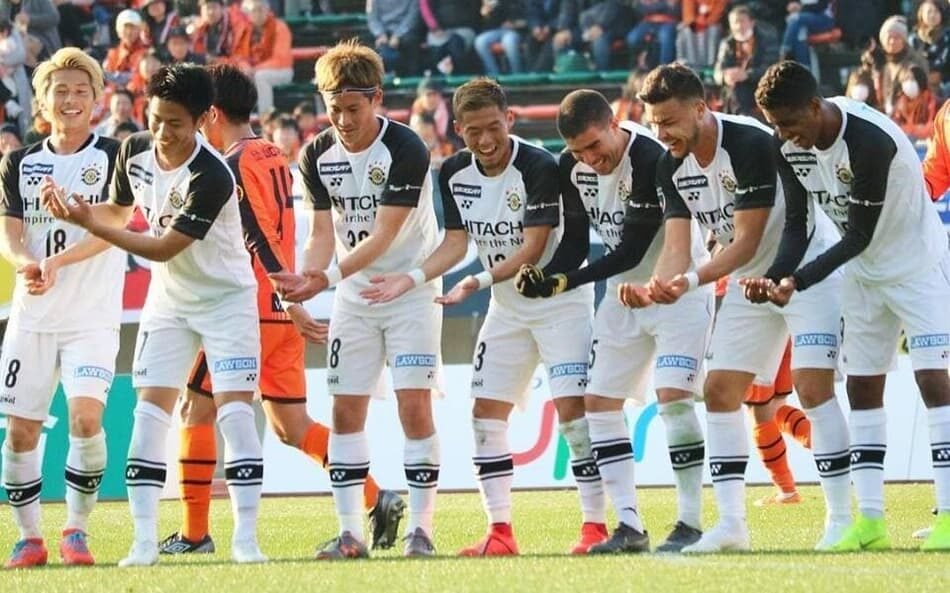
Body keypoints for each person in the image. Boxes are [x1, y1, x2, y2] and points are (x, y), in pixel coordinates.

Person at [157, 63, 406, 556]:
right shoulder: (273, 153)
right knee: (290, 426)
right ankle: (376, 497)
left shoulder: (228, 164)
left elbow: (253, 231)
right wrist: (289, 301)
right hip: (279, 308)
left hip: (244, 309)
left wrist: (281, 293)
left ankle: (194, 533)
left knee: (194, 409)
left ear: (211, 113)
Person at [362, 78, 595, 557]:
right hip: (507, 308)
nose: (486, 140)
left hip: (560, 304)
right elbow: (456, 242)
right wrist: (412, 277)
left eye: (493, 127)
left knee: (574, 414)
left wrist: (479, 281)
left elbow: (533, 247)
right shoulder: (452, 171)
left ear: (509, 119)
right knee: (485, 417)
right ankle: (500, 533)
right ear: (458, 131)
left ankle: (595, 526)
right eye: (474, 132)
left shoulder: (538, 165)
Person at [45, 63, 266, 566]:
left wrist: (90, 225)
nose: (163, 132)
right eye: (156, 118)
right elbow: (117, 212)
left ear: (203, 119)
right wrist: (80, 212)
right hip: (169, 301)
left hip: (226, 301)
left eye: (176, 123)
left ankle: (246, 541)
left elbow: (164, 247)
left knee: (235, 414)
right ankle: (143, 543)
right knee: (148, 415)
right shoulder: (134, 151)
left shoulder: (213, 174)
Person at [639, 63, 851, 553]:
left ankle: (841, 520)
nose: (661, 133)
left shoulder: (749, 142)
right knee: (719, 390)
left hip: (805, 269)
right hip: (747, 279)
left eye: (668, 121)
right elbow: (678, 246)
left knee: (812, 387)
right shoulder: (670, 165)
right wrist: (659, 285)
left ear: (700, 108)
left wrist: (692, 279)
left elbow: (747, 239)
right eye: (654, 124)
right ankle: (732, 526)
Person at [752, 60, 950, 551]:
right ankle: (871, 521)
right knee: (862, 388)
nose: (785, 135)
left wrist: (798, 280)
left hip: (918, 267)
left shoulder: (869, 140)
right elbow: (797, 224)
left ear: (814, 106)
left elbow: (859, 233)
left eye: (790, 123)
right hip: (863, 276)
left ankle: (949, 515)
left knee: (934, 382)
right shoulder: (786, 144)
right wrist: (774, 276)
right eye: (776, 125)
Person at [514, 89, 713, 553]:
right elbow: (576, 241)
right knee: (598, 404)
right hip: (622, 294)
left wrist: (565, 282)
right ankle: (628, 525)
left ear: (613, 124)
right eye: (577, 150)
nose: (589, 158)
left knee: (673, 399)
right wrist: (547, 274)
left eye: (594, 145)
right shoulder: (572, 165)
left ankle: (690, 521)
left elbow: (632, 248)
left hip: (678, 288)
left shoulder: (651, 156)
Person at [273, 40, 442, 559]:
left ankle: (421, 531)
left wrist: (323, 278)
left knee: (414, 407)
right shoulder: (315, 154)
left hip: (410, 289)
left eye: (353, 108)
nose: (343, 120)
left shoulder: (407, 147)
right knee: (345, 411)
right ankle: (351, 535)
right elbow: (322, 233)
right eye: (334, 109)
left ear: (376, 98)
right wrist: (306, 279)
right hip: (353, 294)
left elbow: (384, 235)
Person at [0, 47, 123, 569]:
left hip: (91, 318)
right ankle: (29, 538)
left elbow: (116, 225)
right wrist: (27, 262)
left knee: (86, 419)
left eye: (81, 91)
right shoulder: (18, 162)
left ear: (96, 99)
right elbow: (9, 233)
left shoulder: (116, 156)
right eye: (60, 91)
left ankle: (77, 530)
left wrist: (59, 261)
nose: (70, 99)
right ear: (42, 101)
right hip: (32, 318)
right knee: (20, 432)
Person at [713, 4, 779, 117]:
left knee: (740, 89)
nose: (739, 26)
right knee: (735, 90)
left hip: (758, 85)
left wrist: (747, 74)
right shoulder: (727, 43)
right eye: (734, 22)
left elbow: (771, 69)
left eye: (742, 21)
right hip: (733, 88)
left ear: (752, 22)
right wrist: (725, 77)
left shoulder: (767, 40)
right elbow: (717, 71)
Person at [779, 1, 835, 68]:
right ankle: (804, 66)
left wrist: (801, 8)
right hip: (805, 20)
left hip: (824, 19)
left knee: (794, 18)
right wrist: (792, 6)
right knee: (801, 33)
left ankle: (784, 52)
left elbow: (820, 7)